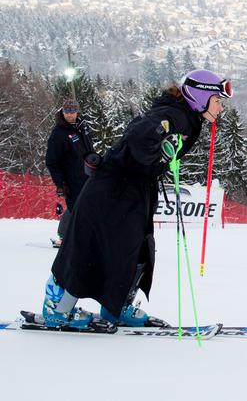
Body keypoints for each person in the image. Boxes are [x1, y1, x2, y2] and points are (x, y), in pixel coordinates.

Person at [41, 69, 232, 329]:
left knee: (136, 248)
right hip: (113, 189)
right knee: (89, 246)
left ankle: (115, 307)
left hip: (133, 190)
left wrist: (161, 160)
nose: (220, 108)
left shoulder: (184, 117)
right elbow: (138, 137)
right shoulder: (174, 116)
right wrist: (157, 158)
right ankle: (57, 308)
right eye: (218, 101)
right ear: (201, 97)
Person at [45, 99, 97, 248]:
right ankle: (68, 238)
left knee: (86, 208)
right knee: (77, 210)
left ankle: (83, 238)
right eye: (67, 112)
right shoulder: (59, 134)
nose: (70, 115)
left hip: (89, 177)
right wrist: (60, 183)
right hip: (72, 181)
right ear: (62, 112)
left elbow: (89, 151)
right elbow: (51, 161)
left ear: (77, 112)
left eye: (72, 112)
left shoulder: (83, 127)